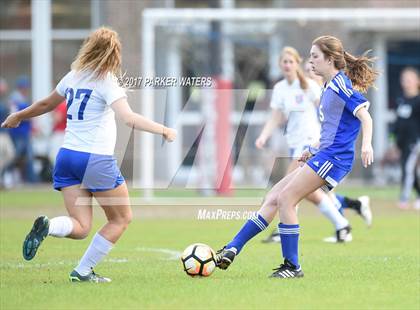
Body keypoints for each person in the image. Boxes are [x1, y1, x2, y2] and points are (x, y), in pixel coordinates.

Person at [1, 27, 177, 283]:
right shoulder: (106, 81)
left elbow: (45, 105)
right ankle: (83, 271)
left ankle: (49, 226)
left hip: (67, 157)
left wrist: (18, 115)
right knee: (121, 218)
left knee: (81, 226)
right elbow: (128, 118)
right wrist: (163, 130)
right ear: (114, 54)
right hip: (94, 160)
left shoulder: (73, 76)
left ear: (89, 48)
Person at [215, 35, 377, 278]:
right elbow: (331, 130)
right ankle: (232, 248)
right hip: (323, 154)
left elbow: (365, 116)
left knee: (287, 199)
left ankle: (293, 266)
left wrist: (366, 145)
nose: (309, 61)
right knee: (272, 197)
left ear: (330, 59)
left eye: (314, 56)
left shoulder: (341, 84)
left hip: (335, 159)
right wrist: (311, 149)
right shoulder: (328, 86)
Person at [257, 47, 371, 245]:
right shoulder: (280, 89)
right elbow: (275, 116)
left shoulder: (309, 85)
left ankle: (281, 230)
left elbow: (329, 112)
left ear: (297, 63)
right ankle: (345, 218)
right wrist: (264, 135)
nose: (287, 65)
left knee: (287, 192)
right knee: (307, 191)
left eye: (291, 61)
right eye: (284, 61)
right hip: (296, 144)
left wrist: (326, 140)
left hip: (310, 141)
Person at [392, 67, 420, 210]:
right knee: (408, 169)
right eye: (404, 80)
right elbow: (397, 124)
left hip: (415, 142)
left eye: (409, 80)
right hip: (402, 142)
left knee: (409, 169)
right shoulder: (401, 100)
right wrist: (394, 141)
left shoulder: (418, 100)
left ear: (417, 81)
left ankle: (404, 199)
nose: (406, 83)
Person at [8, 75, 37, 183]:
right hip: (18, 133)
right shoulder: (15, 98)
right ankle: (5, 173)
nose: (26, 89)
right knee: (15, 156)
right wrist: (27, 117)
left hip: (25, 132)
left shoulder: (22, 98)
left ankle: (32, 179)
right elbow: (13, 115)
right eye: (24, 87)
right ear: (20, 87)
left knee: (28, 156)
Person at [0, 78, 15, 188]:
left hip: (5, 133)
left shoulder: (5, 101)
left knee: (10, 154)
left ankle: (3, 178)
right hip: (1, 134)